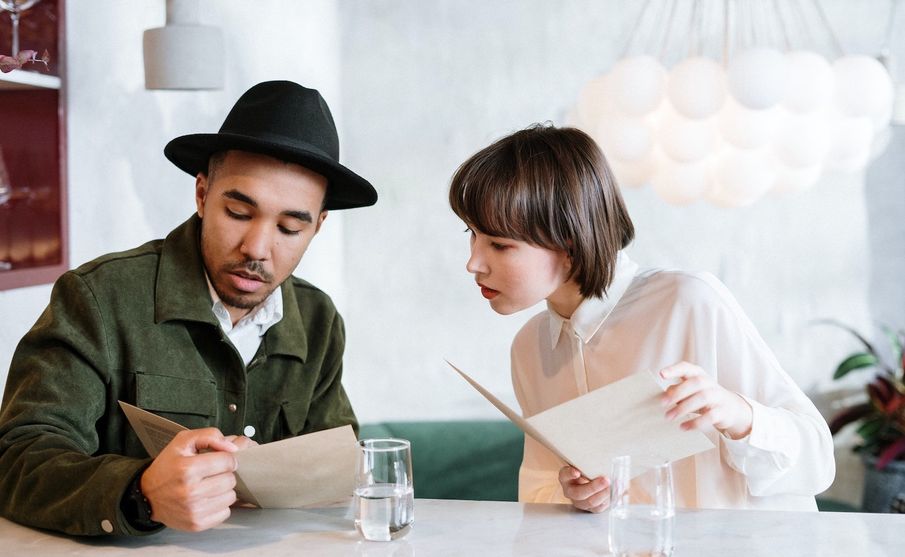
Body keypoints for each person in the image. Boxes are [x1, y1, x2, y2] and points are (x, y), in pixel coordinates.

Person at [0, 81, 377, 536]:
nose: (257, 248)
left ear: (317, 227)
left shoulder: (319, 321)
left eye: (289, 228)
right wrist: (140, 492)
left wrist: (269, 469)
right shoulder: (98, 298)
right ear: (201, 195)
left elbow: (338, 468)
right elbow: (17, 459)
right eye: (238, 213)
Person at [448, 123, 835, 512]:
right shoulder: (530, 349)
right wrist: (575, 496)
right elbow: (538, 495)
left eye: (499, 244)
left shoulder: (688, 302)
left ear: (568, 240)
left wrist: (738, 415)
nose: (473, 263)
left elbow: (817, 460)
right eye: (472, 235)